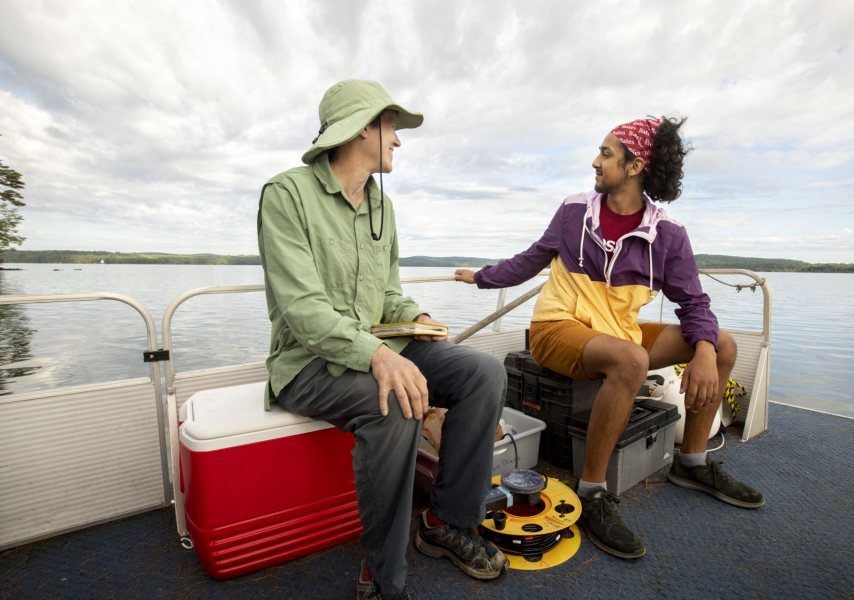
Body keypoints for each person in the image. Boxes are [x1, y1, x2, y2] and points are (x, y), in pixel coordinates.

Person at [455, 116, 764, 560]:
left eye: (605, 153)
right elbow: (531, 259)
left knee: (723, 345)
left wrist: (703, 350)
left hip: (619, 335)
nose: (594, 162)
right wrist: (481, 278)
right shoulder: (574, 212)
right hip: (558, 328)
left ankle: (692, 462)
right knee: (632, 361)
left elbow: (695, 303)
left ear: (634, 166)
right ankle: (593, 491)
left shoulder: (668, 236)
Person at [257, 80, 509, 600]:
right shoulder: (285, 195)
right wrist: (375, 355)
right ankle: (383, 579)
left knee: (483, 372)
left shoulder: (381, 207)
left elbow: (387, 294)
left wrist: (415, 316)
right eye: (391, 126)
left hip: (377, 346)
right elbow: (303, 312)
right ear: (360, 128)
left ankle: (445, 522)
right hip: (307, 364)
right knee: (394, 405)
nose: (397, 140)